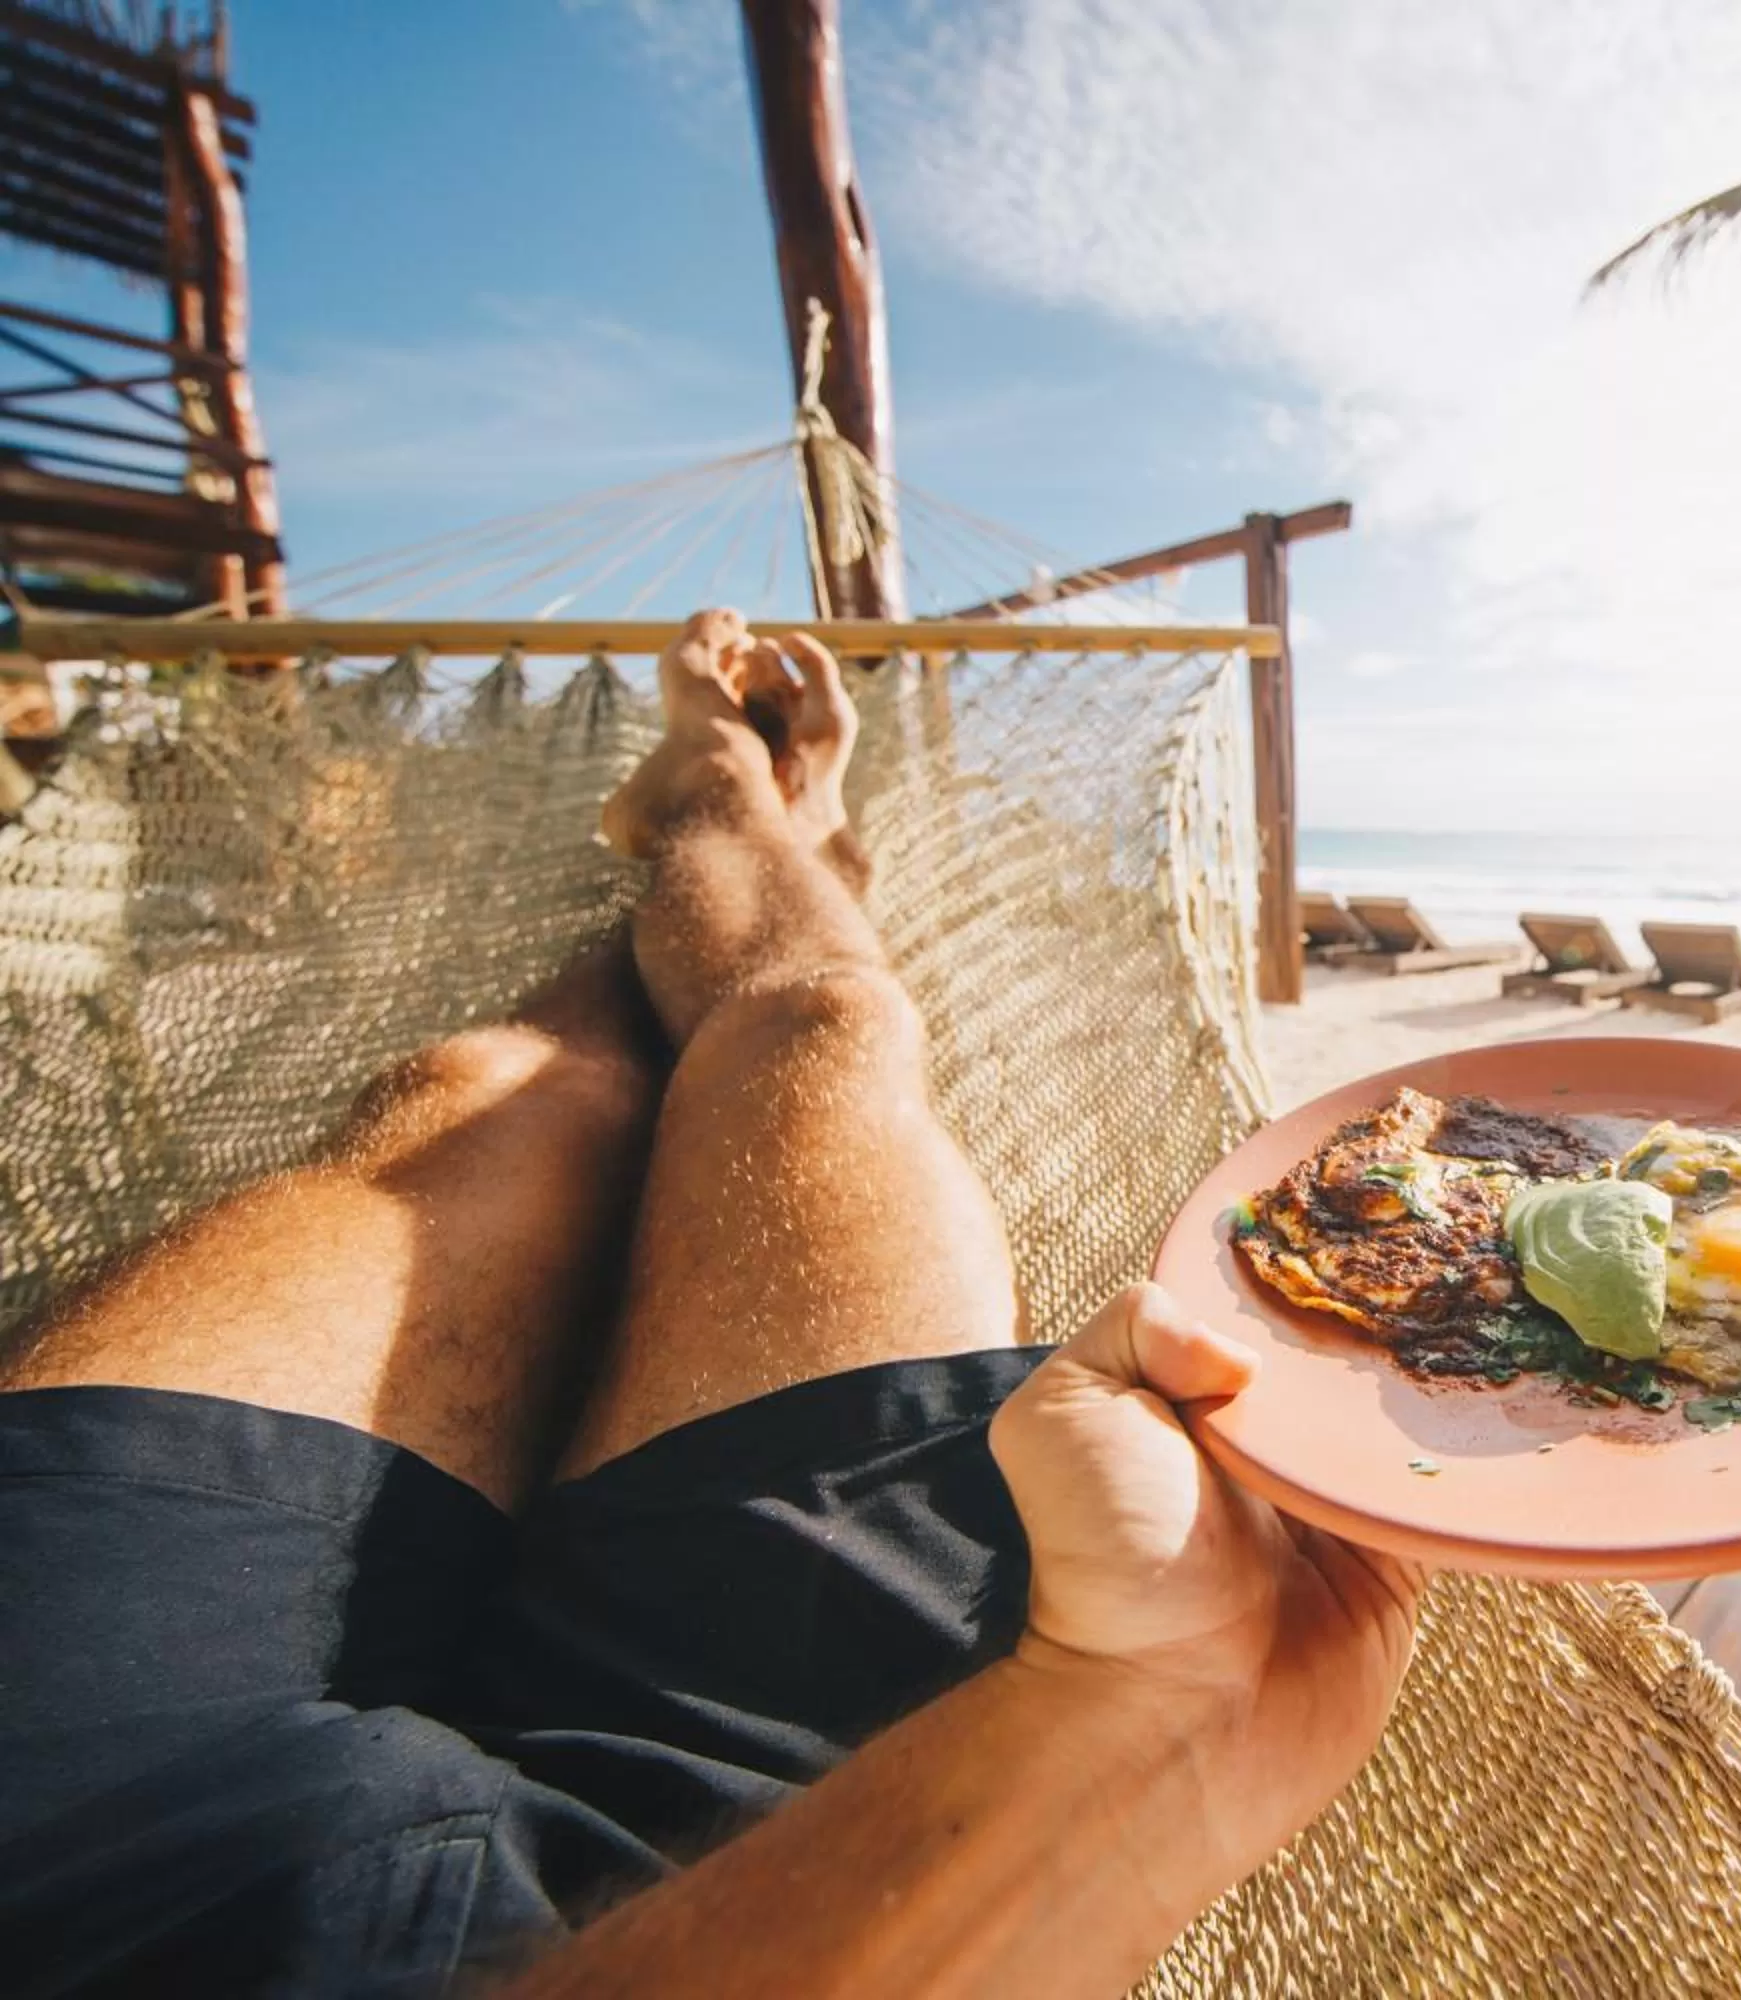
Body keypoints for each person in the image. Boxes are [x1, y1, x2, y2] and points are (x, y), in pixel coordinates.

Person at [0, 610, 1424, 1996]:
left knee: (496, 1085)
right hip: (779, 1879)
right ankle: (764, 832)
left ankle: (715, 812)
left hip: (65, 1864)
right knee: (821, 1025)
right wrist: (1149, 1718)